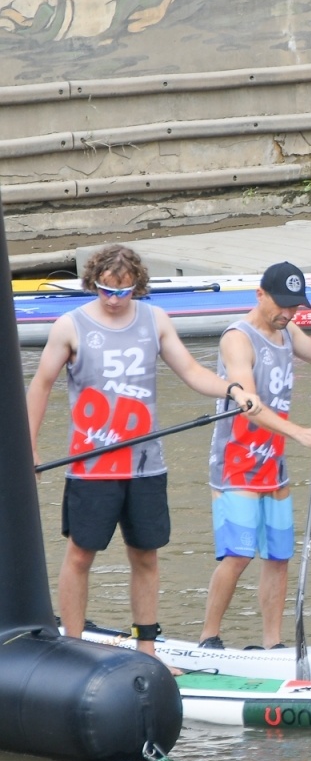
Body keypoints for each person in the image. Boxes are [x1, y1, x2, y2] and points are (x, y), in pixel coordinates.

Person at [25, 245, 255, 657]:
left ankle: (146, 648)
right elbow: (40, 385)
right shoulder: (69, 326)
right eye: (104, 291)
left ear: (137, 286)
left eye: (123, 292)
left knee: (145, 555)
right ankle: (72, 649)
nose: (114, 300)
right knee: (80, 555)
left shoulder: (155, 320)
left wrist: (233, 390)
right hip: (92, 465)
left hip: (145, 465)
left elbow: (191, 371)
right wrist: (31, 447)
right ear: (93, 284)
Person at [199, 263, 311, 650]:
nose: (289, 314)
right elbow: (250, 405)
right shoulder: (238, 338)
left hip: (273, 461)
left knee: (279, 554)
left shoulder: (287, 331)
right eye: (282, 305)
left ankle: (272, 643)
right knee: (239, 554)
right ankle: (208, 637)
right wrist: (300, 433)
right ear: (260, 294)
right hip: (236, 461)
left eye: (295, 307)